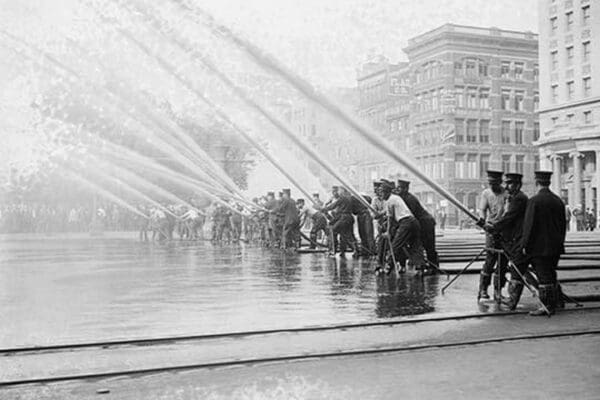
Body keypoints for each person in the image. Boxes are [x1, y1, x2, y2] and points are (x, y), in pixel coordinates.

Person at [521, 171, 567, 316]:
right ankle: (557, 302)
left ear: (536, 182)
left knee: (543, 276)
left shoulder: (534, 201)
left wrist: (524, 245)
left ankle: (546, 306)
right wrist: (560, 242)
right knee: (551, 273)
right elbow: (563, 225)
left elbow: (529, 226)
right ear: (549, 182)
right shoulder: (558, 200)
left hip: (539, 247)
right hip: (555, 246)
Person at [483, 172, 529, 310]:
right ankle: (500, 294)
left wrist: (494, 227)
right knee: (521, 269)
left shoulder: (519, 199)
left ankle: (512, 300)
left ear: (518, 185)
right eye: (507, 183)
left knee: (518, 270)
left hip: (517, 240)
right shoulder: (513, 197)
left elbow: (509, 217)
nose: (508, 186)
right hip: (509, 239)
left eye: (511, 184)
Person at [477, 170, 508, 300]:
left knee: (503, 262)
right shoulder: (486, 193)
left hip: (503, 231)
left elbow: (507, 212)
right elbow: (482, 210)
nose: (492, 186)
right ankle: (483, 289)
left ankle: (498, 291)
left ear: (500, 182)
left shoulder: (506, 194)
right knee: (490, 261)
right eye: (490, 183)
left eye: (494, 183)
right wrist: (483, 221)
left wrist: (501, 226)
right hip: (490, 231)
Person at [379, 181, 422, 274]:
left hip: (405, 222)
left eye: (381, 192)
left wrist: (388, 232)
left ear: (387, 192)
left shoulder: (389, 201)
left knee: (396, 244)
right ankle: (420, 267)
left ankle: (388, 267)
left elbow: (390, 219)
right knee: (415, 245)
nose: (380, 195)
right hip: (414, 222)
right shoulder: (396, 197)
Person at [397, 179, 438, 271]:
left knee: (429, 246)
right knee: (421, 244)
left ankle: (434, 268)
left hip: (426, 223)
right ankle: (427, 265)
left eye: (400, 188)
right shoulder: (404, 198)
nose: (398, 190)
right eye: (398, 187)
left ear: (406, 189)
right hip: (421, 223)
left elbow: (411, 215)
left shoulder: (410, 199)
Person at [320, 186, 355, 257]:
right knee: (345, 235)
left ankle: (333, 251)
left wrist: (324, 209)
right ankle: (349, 250)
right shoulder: (350, 198)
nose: (339, 192)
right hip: (349, 218)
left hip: (344, 218)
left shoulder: (343, 198)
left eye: (339, 190)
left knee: (332, 230)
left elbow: (333, 206)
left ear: (343, 191)